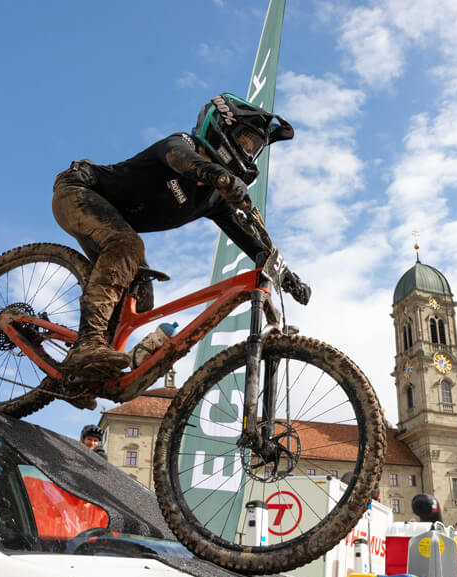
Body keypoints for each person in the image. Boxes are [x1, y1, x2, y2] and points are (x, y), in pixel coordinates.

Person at [52, 93, 306, 378]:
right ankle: (87, 345)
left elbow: (252, 242)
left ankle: (81, 377)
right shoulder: (183, 143)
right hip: (79, 191)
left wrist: (286, 277)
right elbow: (178, 157)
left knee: (141, 295)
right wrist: (220, 177)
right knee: (127, 245)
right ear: (223, 126)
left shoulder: (212, 199)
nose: (248, 152)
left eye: (254, 148)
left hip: (117, 222)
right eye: (246, 140)